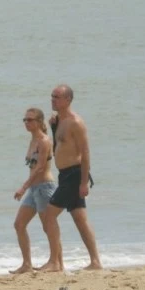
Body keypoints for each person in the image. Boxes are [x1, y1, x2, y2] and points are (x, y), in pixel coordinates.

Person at [44, 85, 103, 270]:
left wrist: (84, 182)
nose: (53, 100)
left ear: (68, 100)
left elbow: (85, 153)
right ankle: (95, 262)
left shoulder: (75, 122)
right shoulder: (57, 121)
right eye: (52, 96)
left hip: (74, 175)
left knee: (48, 215)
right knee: (80, 219)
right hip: (64, 175)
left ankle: (55, 261)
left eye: (57, 97)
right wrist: (52, 126)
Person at [11, 108, 61, 274]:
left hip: (44, 188)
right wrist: (28, 188)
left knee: (49, 227)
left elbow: (40, 168)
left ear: (40, 122)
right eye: (25, 120)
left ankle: (56, 263)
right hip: (34, 189)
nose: (27, 123)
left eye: (30, 120)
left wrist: (23, 187)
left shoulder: (44, 141)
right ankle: (26, 264)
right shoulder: (33, 140)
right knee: (19, 224)